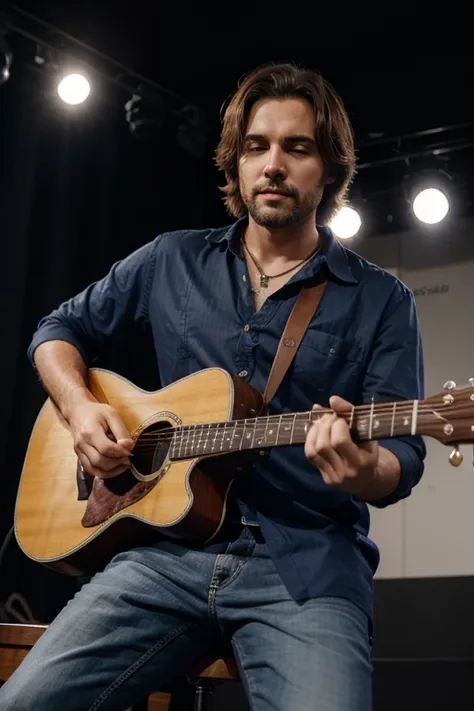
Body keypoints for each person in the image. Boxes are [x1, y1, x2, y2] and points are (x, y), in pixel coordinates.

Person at [0, 62, 426, 711]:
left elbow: (406, 459)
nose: (273, 164)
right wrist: (82, 407)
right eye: (257, 146)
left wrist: (365, 467)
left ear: (331, 166)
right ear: (236, 160)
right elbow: (57, 330)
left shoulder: (381, 299)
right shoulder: (170, 259)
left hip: (306, 568)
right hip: (161, 557)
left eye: (297, 147)